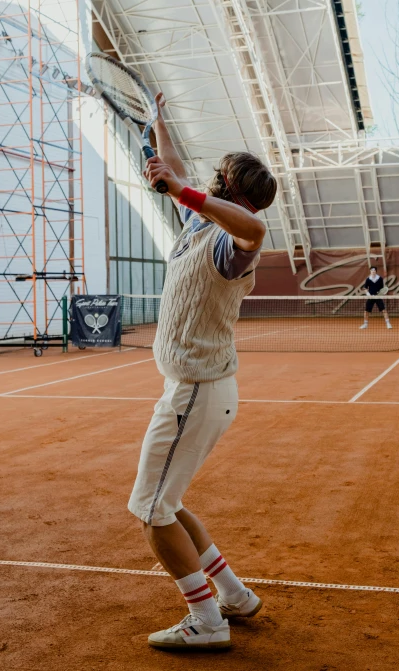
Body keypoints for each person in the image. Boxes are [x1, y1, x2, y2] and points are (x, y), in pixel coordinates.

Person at [128, 92, 277, 651]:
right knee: (170, 499)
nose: (207, 180)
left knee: (150, 509)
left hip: (197, 392)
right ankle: (235, 596)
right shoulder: (200, 221)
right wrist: (160, 123)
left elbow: (253, 231)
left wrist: (181, 187)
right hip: (196, 388)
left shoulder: (237, 240)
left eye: (219, 177)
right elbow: (182, 172)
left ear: (235, 193)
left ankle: (208, 621)